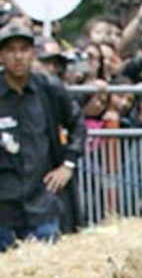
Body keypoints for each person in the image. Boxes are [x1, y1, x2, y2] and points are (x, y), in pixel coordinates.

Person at [0, 21, 86, 250]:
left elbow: (78, 123)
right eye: (10, 50)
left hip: (42, 203)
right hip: (3, 207)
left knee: (47, 266)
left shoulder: (49, 89)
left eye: (24, 49)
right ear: (1, 56)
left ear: (33, 54)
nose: (18, 57)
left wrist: (68, 164)